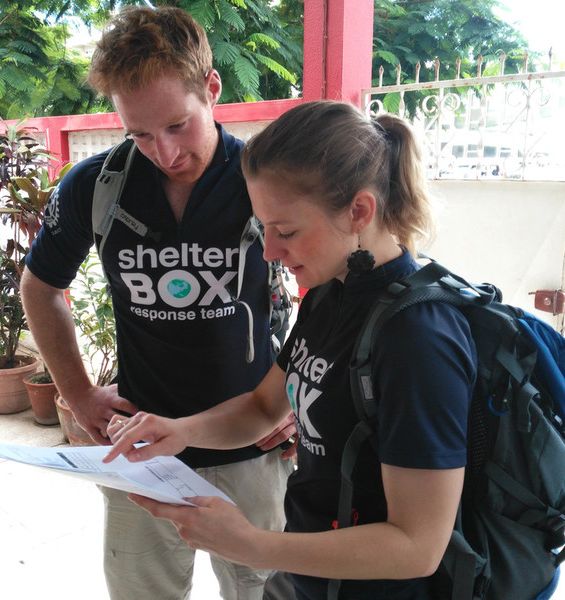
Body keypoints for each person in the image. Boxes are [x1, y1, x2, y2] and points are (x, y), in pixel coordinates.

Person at [104, 100, 478, 600]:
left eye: (287, 231)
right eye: (264, 229)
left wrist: (254, 546)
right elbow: (263, 406)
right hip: (308, 581)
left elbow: (417, 545)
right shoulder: (332, 292)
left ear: (359, 211)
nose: (269, 253)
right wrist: (178, 431)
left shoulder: (419, 337)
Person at [21, 6, 294, 600]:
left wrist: (297, 397)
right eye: (139, 134)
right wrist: (78, 393)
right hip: (139, 449)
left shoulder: (265, 178)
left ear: (212, 89)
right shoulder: (96, 185)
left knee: (262, 592)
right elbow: (40, 288)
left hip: (252, 446)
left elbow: (330, 288)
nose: (164, 152)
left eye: (178, 125)